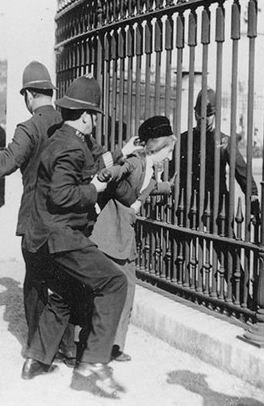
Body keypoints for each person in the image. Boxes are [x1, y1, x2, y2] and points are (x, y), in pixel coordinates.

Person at [21, 75, 128, 397]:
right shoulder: (70, 145)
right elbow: (61, 194)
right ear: (86, 116)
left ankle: (37, 358)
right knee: (114, 283)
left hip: (42, 237)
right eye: (94, 115)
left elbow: (76, 173)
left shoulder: (62, 138)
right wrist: (93, 189)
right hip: (60, 235)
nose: (95, 120)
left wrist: (109, 164)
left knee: (66, 293)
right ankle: (94, 363)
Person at [0, 61, 77, 364]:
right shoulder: (68, 121)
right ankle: (67, 344)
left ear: (28, 95)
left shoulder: (30, 127)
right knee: (66, 280)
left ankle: (37, 347)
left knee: (36, 283)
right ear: (50, 92)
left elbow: (5, 163)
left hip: (36, 219)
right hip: (68, 217)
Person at [94, 115, 176, 362]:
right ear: (158, 146)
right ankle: (92, 343)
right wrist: (110, 172)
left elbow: (149, 187)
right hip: (111, 233)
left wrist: (167, 188)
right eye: (169, 151)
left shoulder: (151, 167)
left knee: (127, 289)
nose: (170, 157)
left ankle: (114, 345)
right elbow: (122, 171)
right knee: (106, 289)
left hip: (123, 238)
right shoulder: (137, 162)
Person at [173, 88, 259, 228]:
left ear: (215, 115)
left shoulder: (224, 141)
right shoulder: (184, 139)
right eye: (201, 114)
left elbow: (240, 169)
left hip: (217, 203)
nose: (204, 118)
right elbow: (174, 169)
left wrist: (253, 194)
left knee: (224, 245)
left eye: (209, 114)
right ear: (195, 113)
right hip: (188, 202)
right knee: (184, 245)